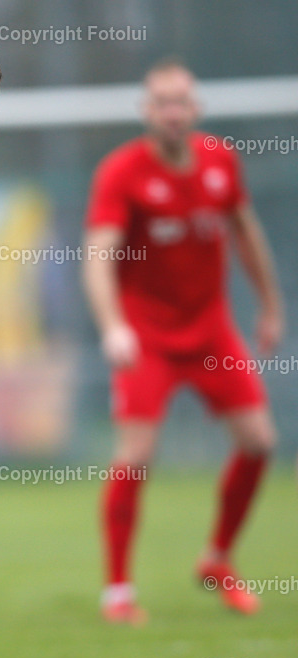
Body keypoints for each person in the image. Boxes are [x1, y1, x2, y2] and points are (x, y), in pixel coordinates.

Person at [82, 59, 282, 625]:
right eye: (161, 102)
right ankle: (118, 591)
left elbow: (246, 233)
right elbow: (98, 258)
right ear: (147, 112)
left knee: (259, 442)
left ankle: (217, 558)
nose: (172, 112)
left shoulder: (220, 160)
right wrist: (113, 325)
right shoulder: (121, 172)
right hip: (146, 332)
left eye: (181, 102)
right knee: (137, 453)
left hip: (211, 327)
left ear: (194, 110)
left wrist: (270, 304)